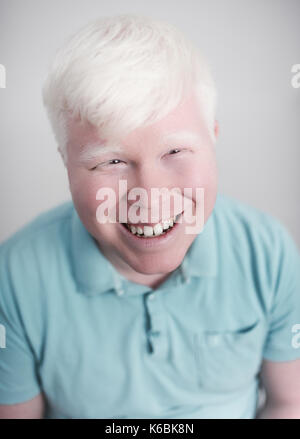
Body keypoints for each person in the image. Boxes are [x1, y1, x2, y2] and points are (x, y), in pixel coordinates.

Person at [0, 14, 300, 419]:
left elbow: (289, 402)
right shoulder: (15, 277)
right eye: (112, 161)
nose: (149, 196)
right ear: (65, 162)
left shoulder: (268, 253)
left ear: (213, 136)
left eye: (174, 152)